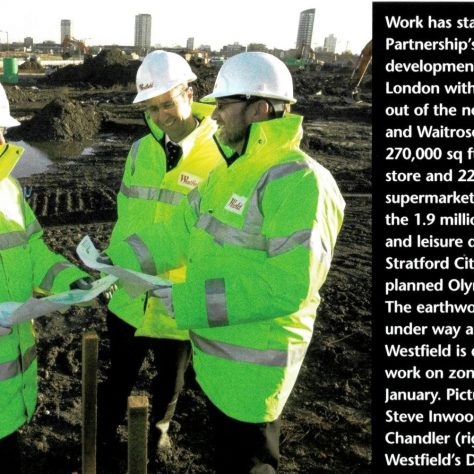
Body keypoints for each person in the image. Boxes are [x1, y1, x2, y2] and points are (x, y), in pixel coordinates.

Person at [103, 52, 345, 473]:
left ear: (260, 109)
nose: (214, 116)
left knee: (249, 464)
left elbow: (288, 285)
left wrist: (190, 302)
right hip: (219, 370)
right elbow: (176, 233)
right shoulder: (231, 173)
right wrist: (110, 261)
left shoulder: (301, 181)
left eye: (224, 105)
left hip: (253, 377)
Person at [98, 50, 228, 458]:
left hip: (178, 300)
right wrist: (112, 266)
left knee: (169, 382)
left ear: (189, 93)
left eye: (167, 103)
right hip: (131, 294)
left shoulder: (221, 154)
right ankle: (101, 438)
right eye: (152, 108)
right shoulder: (140, 151)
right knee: (117, 376)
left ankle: (157, 435)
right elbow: (126, 217)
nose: (161, 116)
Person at [0, 83, 90, 474]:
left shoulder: (9, 189)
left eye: (1, 132)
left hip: (9, 394)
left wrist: (71, 280)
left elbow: (35, 254)